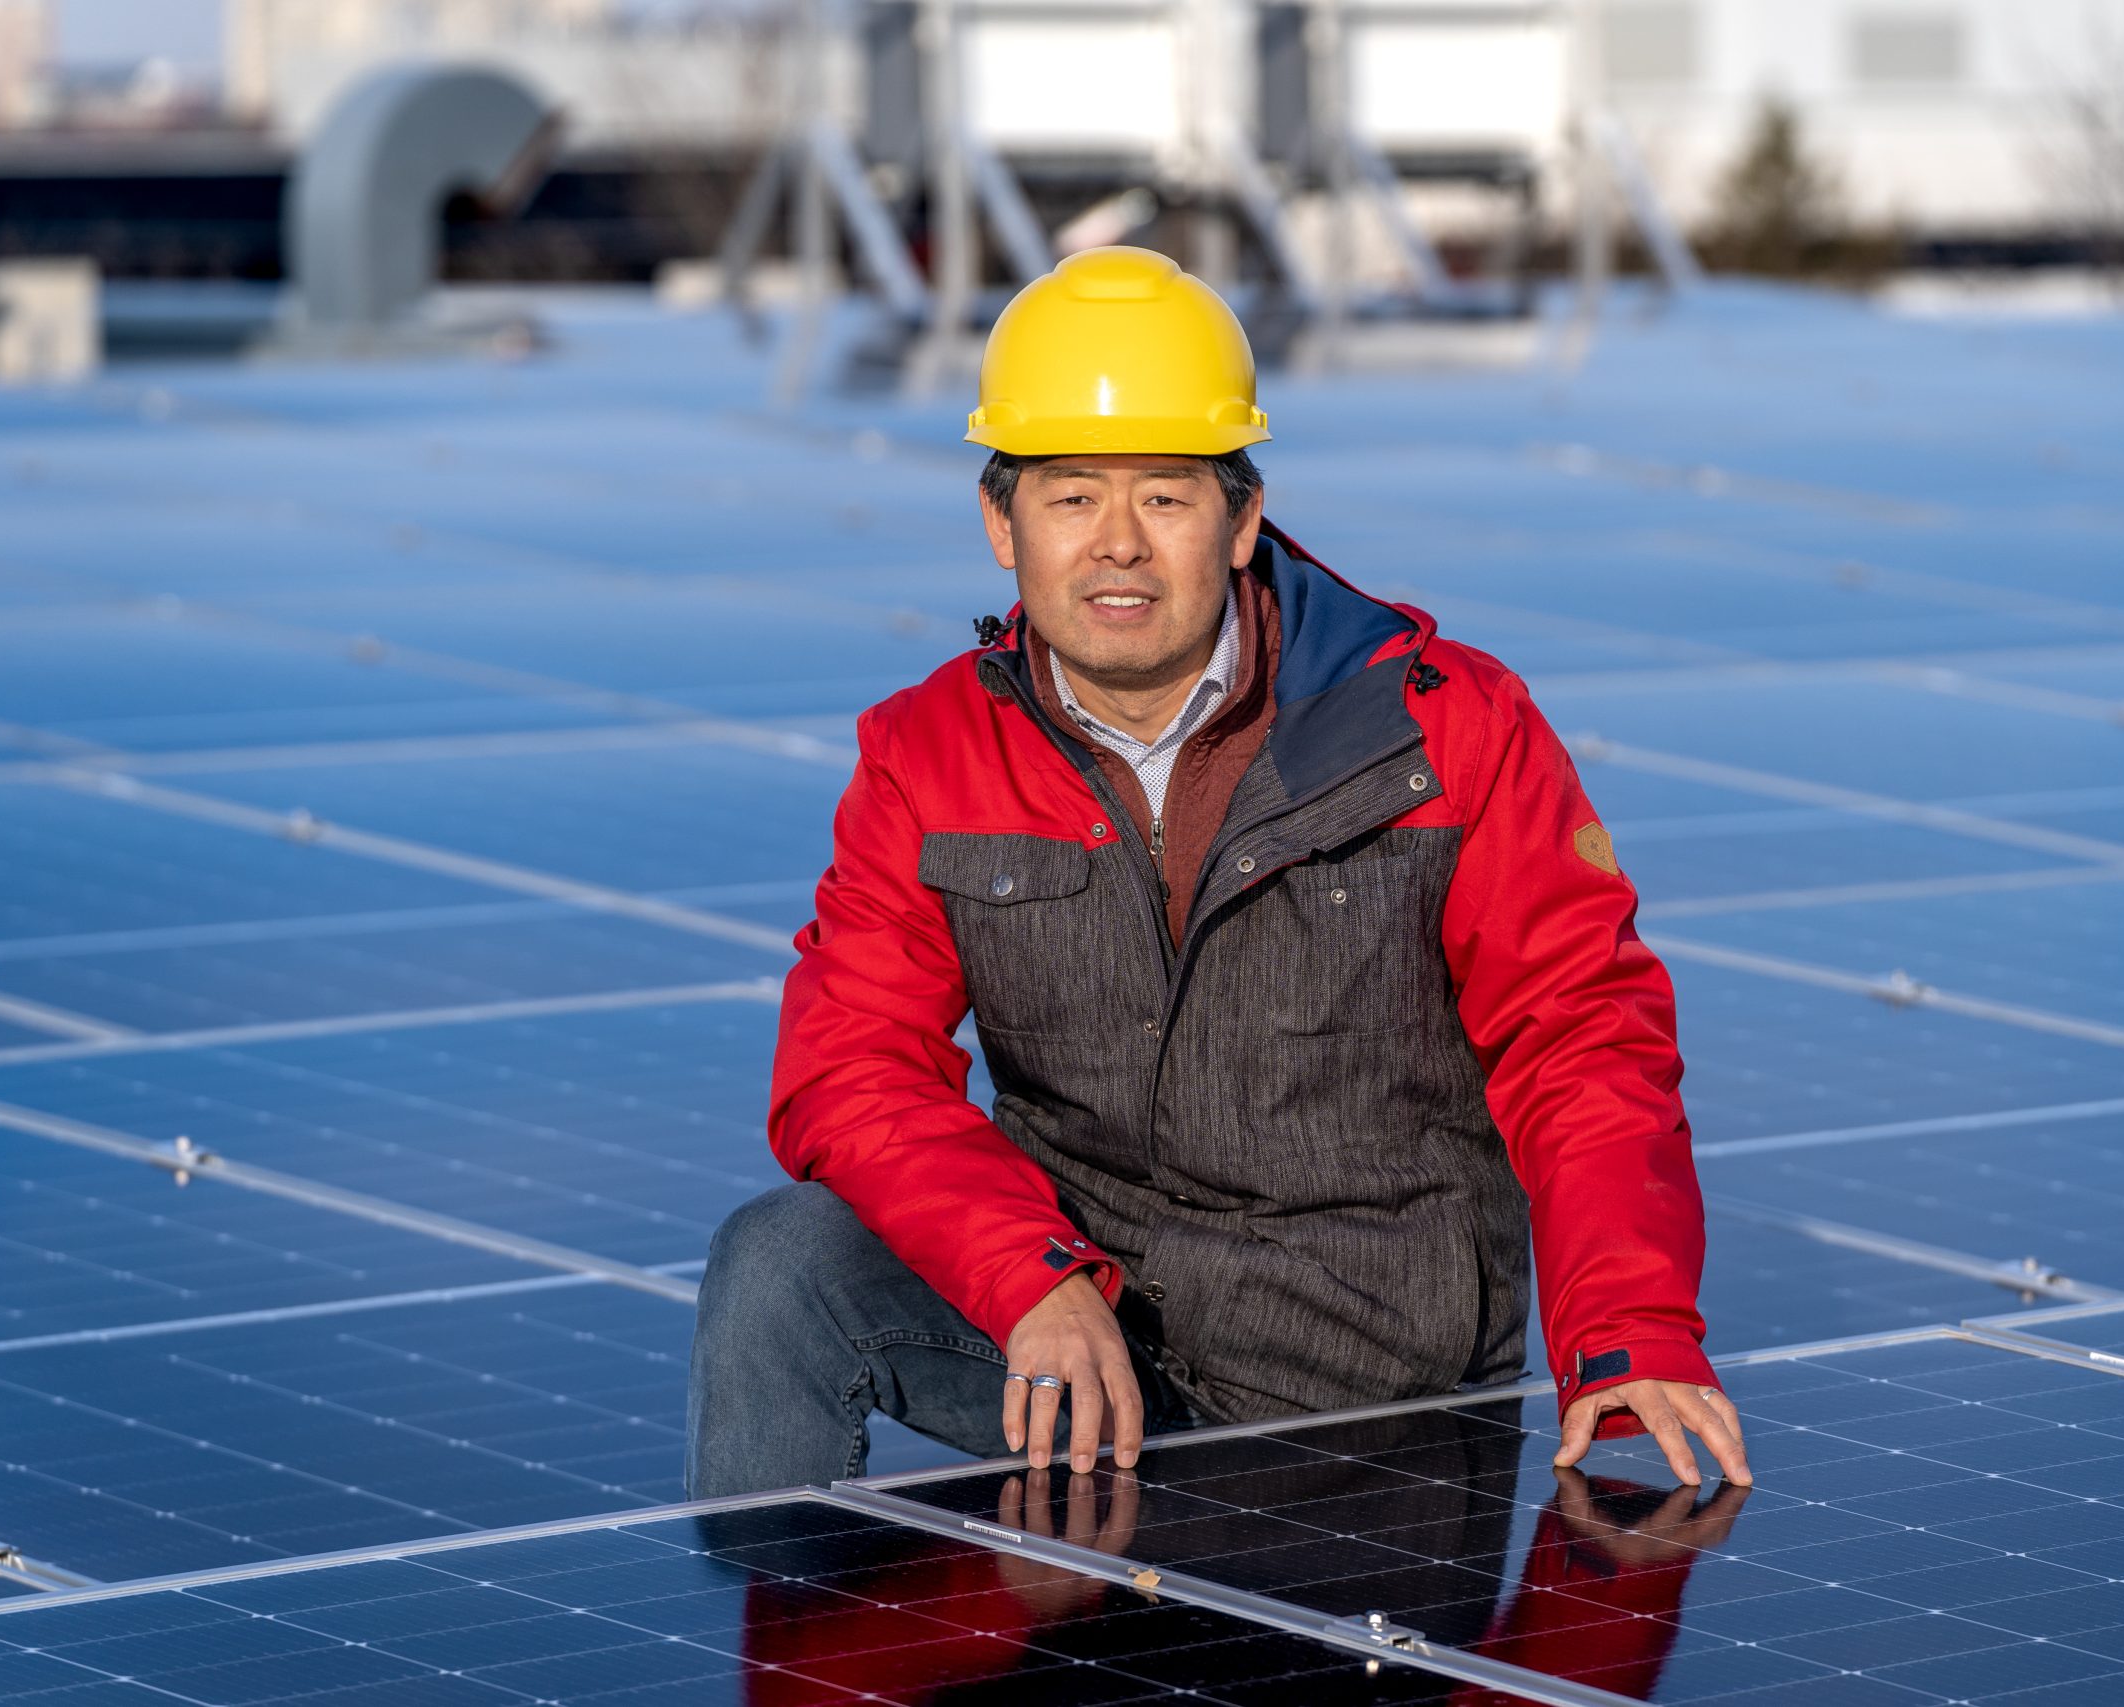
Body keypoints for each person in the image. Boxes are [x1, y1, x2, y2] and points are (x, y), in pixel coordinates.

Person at [687, 245, 1750, 1496]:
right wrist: (1030, 1278)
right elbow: (849, 1070)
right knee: (780, 1266)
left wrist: (1625, 1329)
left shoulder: (1442, 725)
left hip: (1364, 1378)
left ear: (1242, 519)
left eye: (1167, 499)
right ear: (999, 523)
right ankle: (798, 1662)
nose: (1117, 548)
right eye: (1071, 497)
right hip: (1080, 1329)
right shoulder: (929, 754)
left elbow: (1578, 1032)